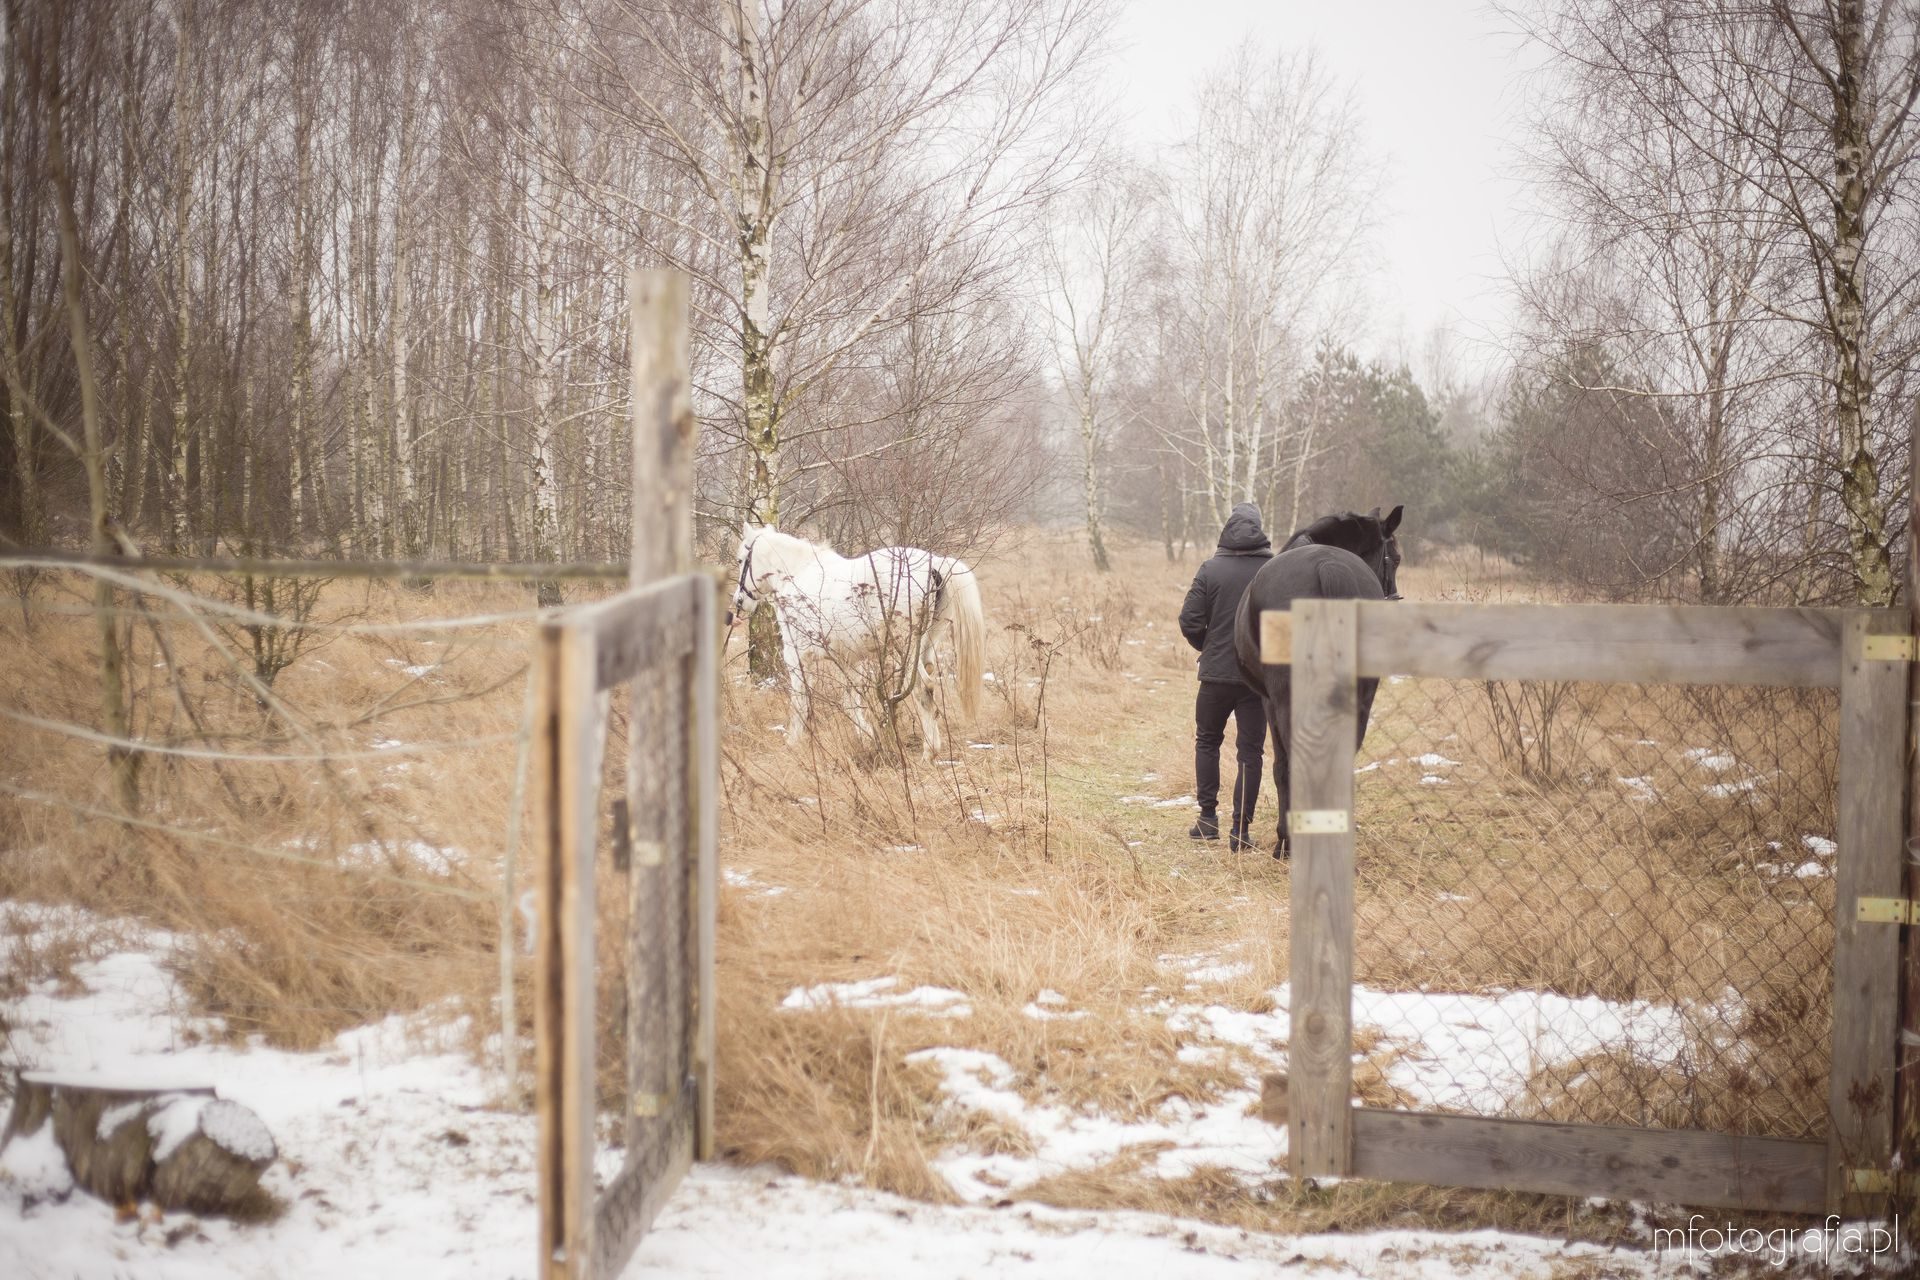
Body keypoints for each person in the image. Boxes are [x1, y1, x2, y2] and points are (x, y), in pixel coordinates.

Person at [1178, 503, 1271, 851]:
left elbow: (1188, 620)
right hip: (1256, 678)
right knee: (1250, 752)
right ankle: (1241, 831)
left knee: (1207, 741)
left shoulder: (1210, 569)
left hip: (1215, 677)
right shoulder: (1274, 569)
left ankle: (1207, 820)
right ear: (1259, 530)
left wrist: (1210, 645)